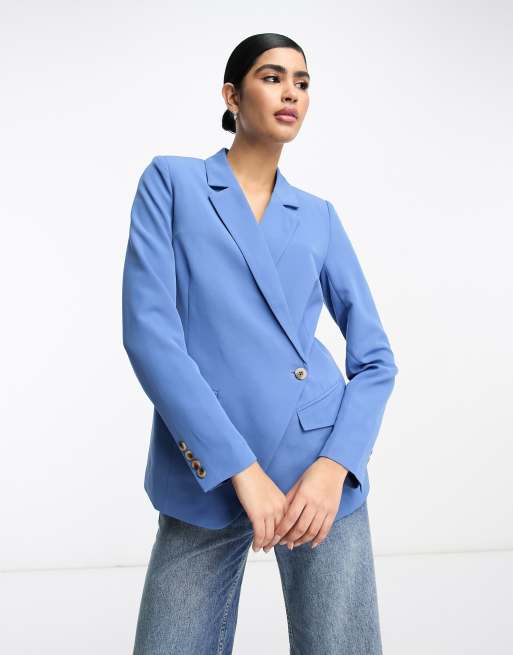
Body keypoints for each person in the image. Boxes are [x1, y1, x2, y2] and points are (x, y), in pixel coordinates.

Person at [122, 32, 398, 655]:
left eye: (302, 83)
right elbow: (150, 334)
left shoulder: (318, 215)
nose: (290, 93)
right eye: (272, 78)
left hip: (314, 467)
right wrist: (240, 470)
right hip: (212, 463)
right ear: (232, 95)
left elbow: (377, 359)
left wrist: (336, 466)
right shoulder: (173, 183)